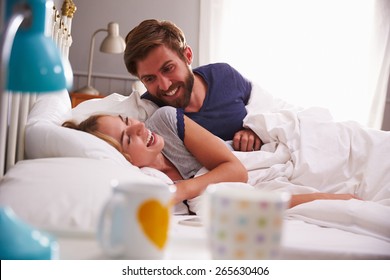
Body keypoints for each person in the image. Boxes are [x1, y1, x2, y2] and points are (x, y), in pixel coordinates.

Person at [62, 106, 359, 208]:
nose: (141, 125)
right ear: (123, 159)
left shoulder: (164, 121)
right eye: (129, 137)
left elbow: (238, 170)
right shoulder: (143, 179)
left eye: (128, 120)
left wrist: (183, 189)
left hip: (255, 157)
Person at [123, 19, 262, 152]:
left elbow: (263, 105)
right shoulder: (149, 111)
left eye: (168, 68)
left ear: (187, 55)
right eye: (149, 78)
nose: (165, 86)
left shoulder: (224, 75)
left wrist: (255, 129)